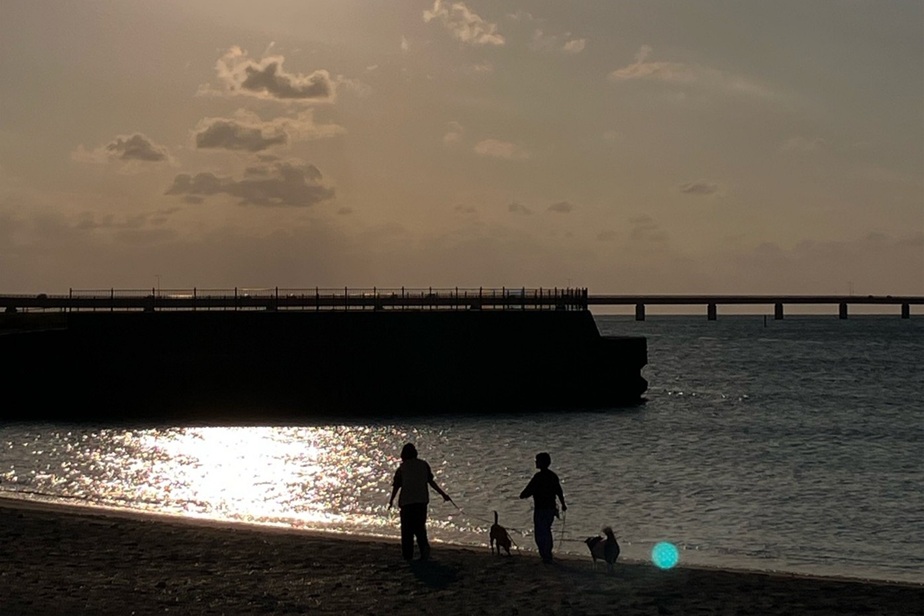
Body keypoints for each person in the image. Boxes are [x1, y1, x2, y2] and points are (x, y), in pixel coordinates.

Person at [388, 443, 452, 561]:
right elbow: (431, 482)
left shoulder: (402, 468)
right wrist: (443, 494)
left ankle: (408, 555)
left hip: (407, 502)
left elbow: (396, 486)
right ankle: (424, 552)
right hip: (421, 502)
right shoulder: (423, 465)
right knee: (420, 529)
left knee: (407, 531)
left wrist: (391, 500)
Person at [519, 452, 567, 563]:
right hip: (551, 509)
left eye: (537, 461)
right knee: (547, 530)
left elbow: (528, 491)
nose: (535, 462)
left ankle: (545, 555)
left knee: (540, 532)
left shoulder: (538, 477)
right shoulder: (553, 476)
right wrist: (563, 504)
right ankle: (548, 554)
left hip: (541, 509)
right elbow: (559, 491)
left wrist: (523, 495)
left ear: (542, 463)